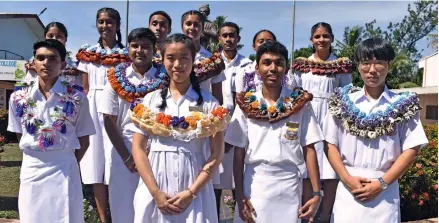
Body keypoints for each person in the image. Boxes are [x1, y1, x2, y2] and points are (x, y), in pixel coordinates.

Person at [324, 38, 428, 223]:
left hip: (385, 192)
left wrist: (381, 184)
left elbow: (412, 150)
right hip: (349, 190)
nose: (372, 70)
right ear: (358, 66)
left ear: (388, 65)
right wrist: (347, 179)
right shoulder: (342, 102)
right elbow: (330, 144)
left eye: (379, 63)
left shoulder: (404, 104)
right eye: (366, 63)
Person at [130, 33, 226, 223]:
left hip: (194, 182)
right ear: (162, 59)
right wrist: (156, 192)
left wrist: (192, 192)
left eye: (184, 58)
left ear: (193, 60)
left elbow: (216, 153)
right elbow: (138, 148)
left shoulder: (210, 104)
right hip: (155, 181)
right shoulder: (150, 100)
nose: (177, 65)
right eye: (171, 58)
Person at [225, 41, 323, 223]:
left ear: (286, 68)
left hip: (289, 185)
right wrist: (239, 195)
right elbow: (238, 153)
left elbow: (310, 148)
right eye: (267, 62)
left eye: (279, 63)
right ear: (257, 68)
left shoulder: (300, 103)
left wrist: (317, 193)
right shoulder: (246, 104)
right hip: (255, 185)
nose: (273, 68)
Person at [7, 39, 95, 223]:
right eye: (40, 58)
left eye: (52, 58)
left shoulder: (78, 98)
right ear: (33, 63)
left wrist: (65, 159)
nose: (46, 63)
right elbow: (20, 134)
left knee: (65, 216)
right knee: (32, 216)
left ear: (63, 64)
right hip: (32, 166)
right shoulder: (18, 98)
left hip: (64, 167)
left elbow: (84, 138)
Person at [98, 27, 163, 223]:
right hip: (123, 149)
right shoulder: (115, 78)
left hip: (157, 149)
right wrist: (127, 157)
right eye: (134, 46)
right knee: (123, 208)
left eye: (145, 46)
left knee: (154, 208)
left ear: (154, 49)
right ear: (128, 48)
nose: (139, 51)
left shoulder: (166, 78)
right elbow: (109, 120)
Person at [291, 22, 352, 222]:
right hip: (307, 114)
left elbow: (347, 93)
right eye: (317, 36)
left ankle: (326, 215)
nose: (321, 40)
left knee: (330, 168)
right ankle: (308, 214)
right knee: (308, 166)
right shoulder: (302, 64)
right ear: (311, 40)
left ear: (332, 38)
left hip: (331, 116)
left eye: (325, 36)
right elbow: (293, 90)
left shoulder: (340, 65)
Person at [76, 7, 128, 223]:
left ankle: (120, 213)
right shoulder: (88, 53)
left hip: (118, 106)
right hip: (93, 106)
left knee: (115, 157)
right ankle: (103, 217)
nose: (105, 26)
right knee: (97, 162)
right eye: (101, 22)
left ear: (117, 25)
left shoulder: (126, 54)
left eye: (109, 22)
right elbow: (84, 87)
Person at [213, 21, 252, 219]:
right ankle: (217, 218)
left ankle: (231, 217)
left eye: (232, 35)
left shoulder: (249, 65)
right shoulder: (211, 64)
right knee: (217, 183)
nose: (228, 39)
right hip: (216, 132)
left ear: (238, 38)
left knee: (235, 182)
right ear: (219, 39)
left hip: (238, 132)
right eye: (225, 35)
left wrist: (231, 137)